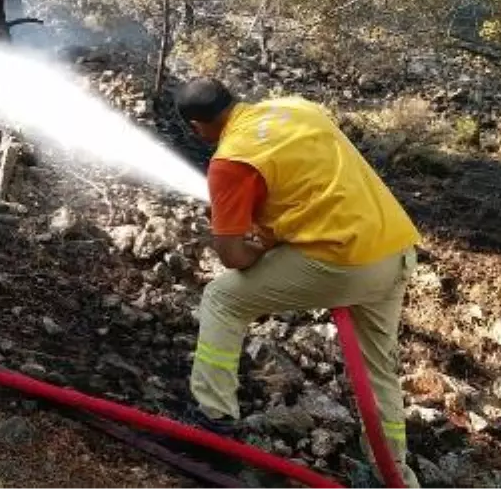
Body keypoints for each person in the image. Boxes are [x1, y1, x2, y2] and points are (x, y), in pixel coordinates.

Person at [175, 78, 421, 488]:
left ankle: (212, 421)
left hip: (342, 260)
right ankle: (392, 475)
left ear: (198, 126)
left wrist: (255, 245)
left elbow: (232, 257)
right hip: (394, 248)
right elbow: (310, 180)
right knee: (379, 370)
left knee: (221, 298)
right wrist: (269, 226)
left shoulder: (231, 160)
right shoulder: (295, 106)